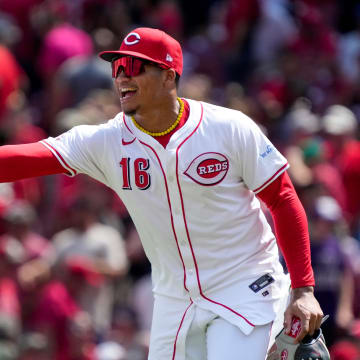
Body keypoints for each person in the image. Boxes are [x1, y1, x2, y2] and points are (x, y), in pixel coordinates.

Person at [0, 27, 323, 359]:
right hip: (174, 300)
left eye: (135, 66)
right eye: (118, 67)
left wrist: (303, 289)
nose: (123, 75)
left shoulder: (228, 128)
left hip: (244, 284)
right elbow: (27, 159)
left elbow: (282, 198)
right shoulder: (106, 142)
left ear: (169, 77)